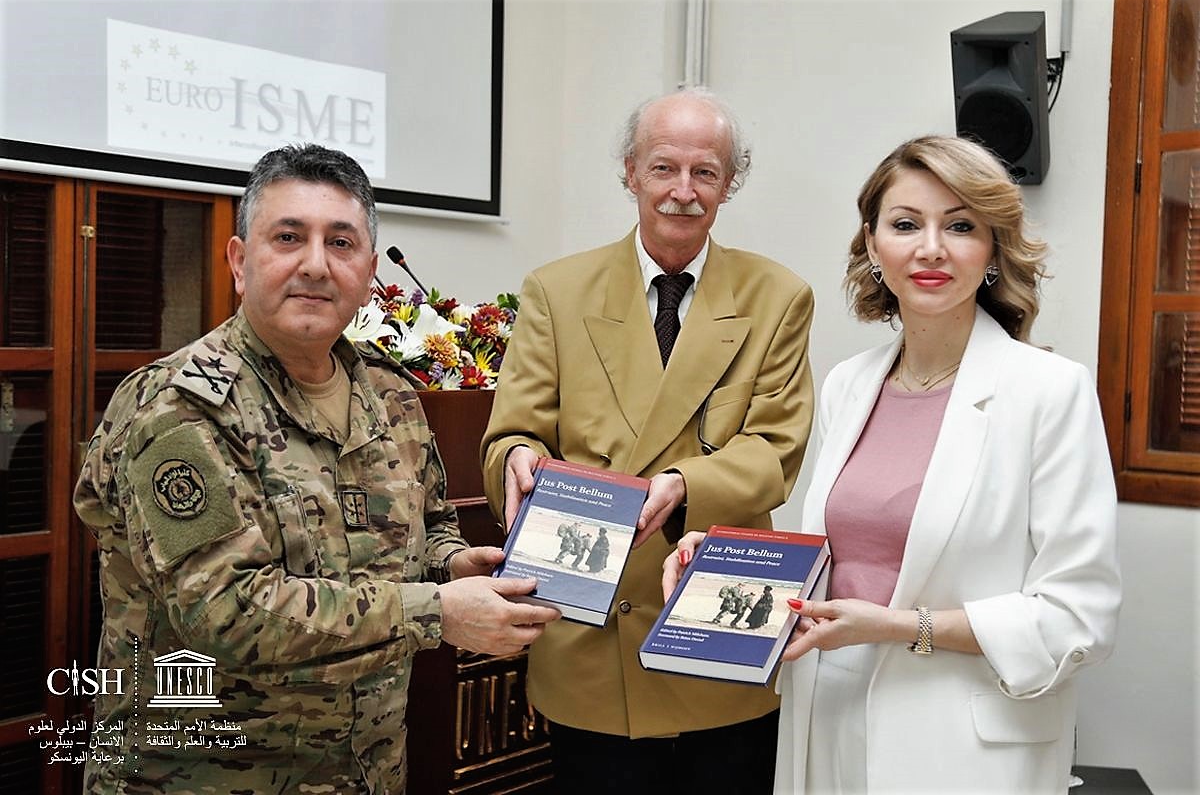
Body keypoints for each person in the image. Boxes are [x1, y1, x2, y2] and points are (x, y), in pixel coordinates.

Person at [74, 144, 559, 794]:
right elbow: (227, 611)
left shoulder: (390, 395)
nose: (314, 265)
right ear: (241, 262)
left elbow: (430, 525)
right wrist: (436, 611)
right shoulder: (175, 408)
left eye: (340, 242)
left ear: (366, 275)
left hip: (363, 773)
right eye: (288, 237)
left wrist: (451, 564)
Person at [665, 135, 1121, 793]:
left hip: (963, 744)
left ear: (992, 250)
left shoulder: (1050, 391)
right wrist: (724, 567)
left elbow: (1081, 617)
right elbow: (840, 561)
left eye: (960, 226)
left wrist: (900, 628)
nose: (931, 247)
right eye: (906, 224)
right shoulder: (851, 385)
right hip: (829, 718)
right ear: (875, 248)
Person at [481, 87, 814, 794]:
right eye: (664, 168)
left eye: (706, 173)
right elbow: (514, 431)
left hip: (717, 620)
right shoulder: (556, 291)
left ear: (731, 183)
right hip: (592, 632)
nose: (683, 192)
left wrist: (685, 484)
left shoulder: (778, 296)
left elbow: (775, 450)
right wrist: (513, 460)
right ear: (630, 171)